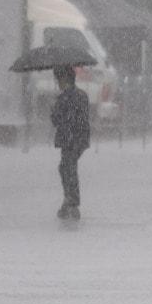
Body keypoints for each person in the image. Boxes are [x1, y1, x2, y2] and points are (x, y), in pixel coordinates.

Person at [51, 65, 91, 220]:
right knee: (67, 167)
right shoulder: (81, 95)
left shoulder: (64, 98)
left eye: (58, 79)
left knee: (67, 168)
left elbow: (58, 120)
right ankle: (69, 200)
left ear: (63, 79)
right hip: (79, 138)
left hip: (69, 139)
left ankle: (71, 201)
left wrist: (54, 110)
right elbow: (81, 118)